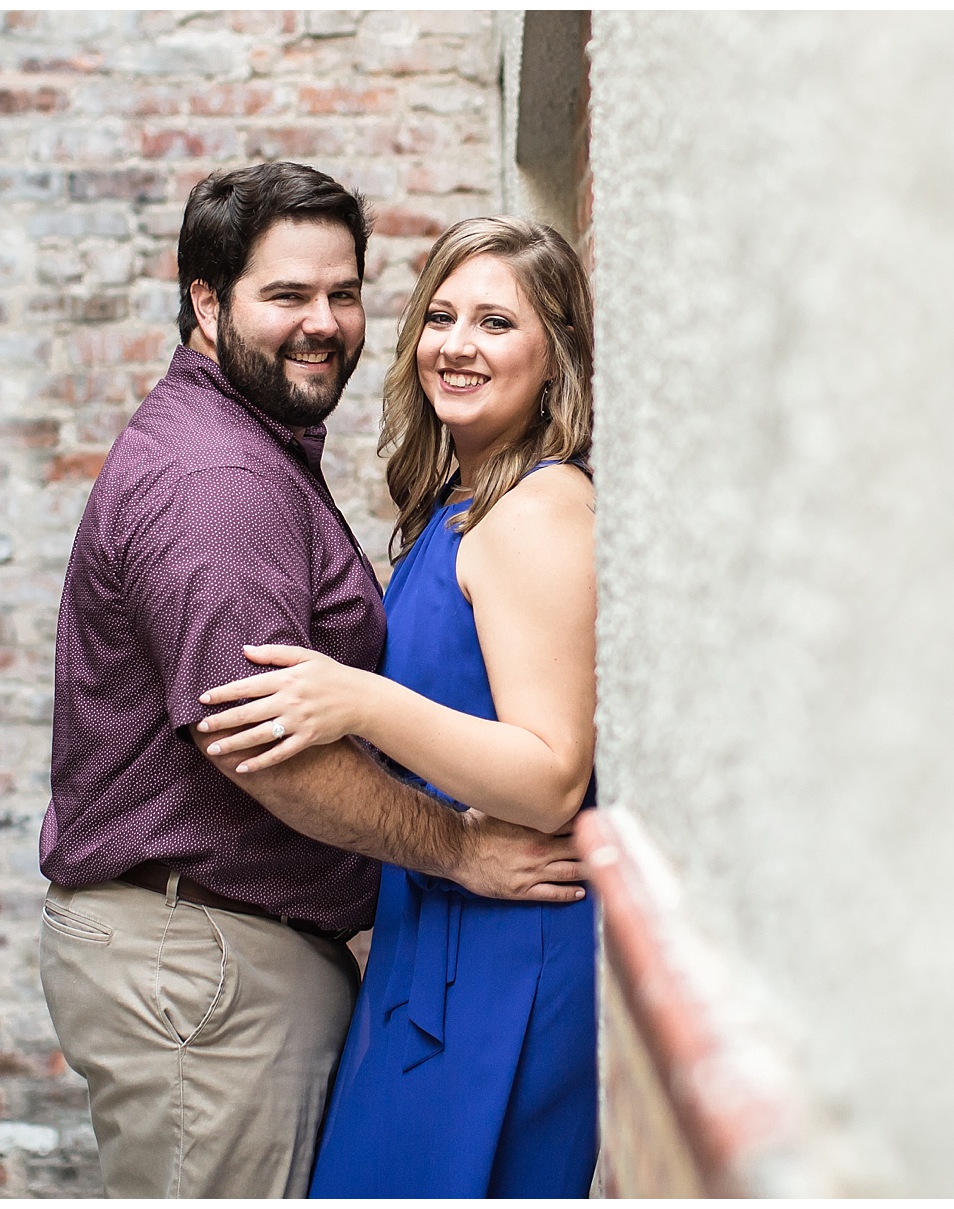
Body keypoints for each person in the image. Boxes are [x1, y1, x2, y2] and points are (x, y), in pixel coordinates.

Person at [37, 165, 585, 1199]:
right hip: (210, 965)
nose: (323, 323)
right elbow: (263, 753)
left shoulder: (271, 457)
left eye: (343, 293)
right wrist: (455, 849)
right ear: (208, 301)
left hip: (268, 956)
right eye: (286, 295)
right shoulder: (222, 480)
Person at [196, 216, 600, 1197]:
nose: (457, 344)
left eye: (497, 322)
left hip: (506, 943)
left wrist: (359, 703)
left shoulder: (540, 510)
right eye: (442, 315)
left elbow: (552, 779)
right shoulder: (457, 509)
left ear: (554, 360)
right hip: (439, 924)